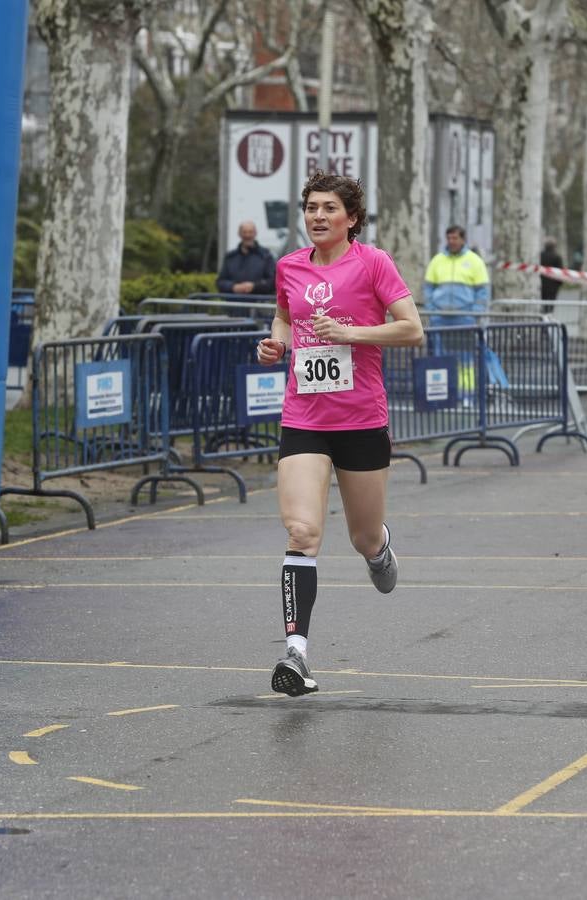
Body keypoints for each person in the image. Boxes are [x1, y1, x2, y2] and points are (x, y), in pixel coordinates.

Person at [255, 171, 423, 696]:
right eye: (311, 207)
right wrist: (277, 344)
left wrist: (351, 332)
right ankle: (296, 655)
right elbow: (285, 317)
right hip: (303, 417)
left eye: (329, 208)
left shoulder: (373, 262)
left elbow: (412, 328)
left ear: (351, 218)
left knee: (362, 536)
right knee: (302, 532)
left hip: (361, 419)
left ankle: (379, 550)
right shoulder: (289, 267)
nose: (318, 216)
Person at [424, 224, 506, 392]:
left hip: (465, 318)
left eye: (455, 238)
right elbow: (428, 288)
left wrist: (474, 313)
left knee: (465, 360)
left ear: (463, 239)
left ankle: (465, 394)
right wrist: (432, 310)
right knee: (440, 358)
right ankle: (444, 395)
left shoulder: (475, 261)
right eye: (449, 238)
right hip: (440, 319)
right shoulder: (437, 260)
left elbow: (482, 292)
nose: (452, 241)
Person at [215, 220, 275, 296]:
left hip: (259, 304)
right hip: (234, 304)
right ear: (239, 234)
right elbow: (220, 282)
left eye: (250, 232)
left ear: (255, 233)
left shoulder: (266, 256)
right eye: (244, 232)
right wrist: (233, 287)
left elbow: (273, 282)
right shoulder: (230, 257)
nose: (247, 235)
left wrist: (254, 286)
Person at [539, 236, 564, 309]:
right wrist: (559, 283)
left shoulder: (540, 255)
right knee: (550, 304)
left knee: (542, 302)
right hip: (553, 285)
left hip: (542, 283)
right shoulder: (557, 256)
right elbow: (560, 271)